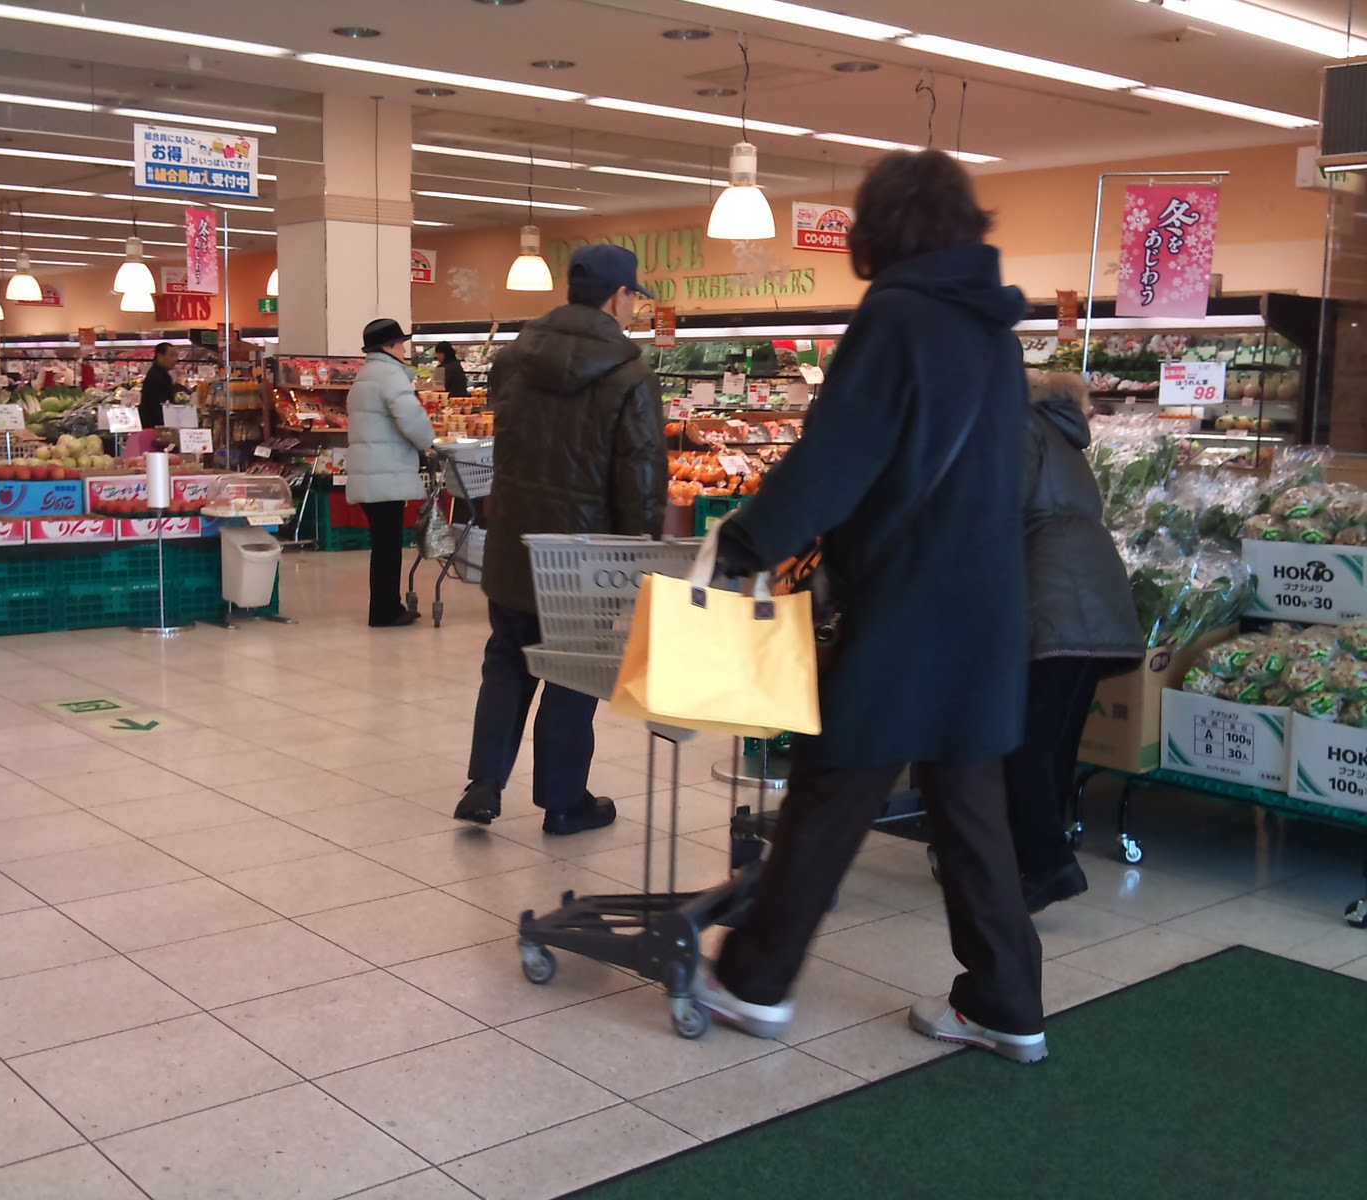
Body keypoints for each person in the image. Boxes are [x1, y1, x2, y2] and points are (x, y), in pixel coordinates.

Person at [693, 150, 1049, 1064]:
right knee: (969, 806)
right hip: (988, 600)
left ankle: (753, 982)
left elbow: (839, 455)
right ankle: (1007, 1001)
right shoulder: (994, 334)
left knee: (835, 781)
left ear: (878, 228)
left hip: (910, 601)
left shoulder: (897, 318)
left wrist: (745, 544)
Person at [454, 244, 666, 836]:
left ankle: (484, 783)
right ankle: (564, 802)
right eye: (633, 297)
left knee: (507, 660)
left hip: (514, 543)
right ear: (619, 296)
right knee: (573, 676)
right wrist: (638, 559)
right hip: (584, 558)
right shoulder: (630, 375)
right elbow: (641, 480)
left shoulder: (514, 360)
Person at [1012, 371, 1144, 913]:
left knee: (1021, 740)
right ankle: (1044, 851)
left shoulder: (1022, 427)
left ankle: (1047, 863)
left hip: (1054, 600)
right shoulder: (1064, 434)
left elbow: (1001, 508)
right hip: (1093, 597)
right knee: (1057, 738)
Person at [346, 318, 435, 628]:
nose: (404, 349)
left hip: (371, 470)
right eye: (400, 344)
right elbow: (411, 418)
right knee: (388, 545)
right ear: (388, 346)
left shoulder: (366, 375)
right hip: (386, 472)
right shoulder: (390, 376)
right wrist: (428, 442)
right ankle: (385, 611)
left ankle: (385, 607)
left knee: (383, 544)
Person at [139, 342, 179, 434]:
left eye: (176, 356)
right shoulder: (157, 377)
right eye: (172, 355)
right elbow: (157, 407)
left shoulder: (161, 374)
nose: (175, 359)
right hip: (156, 428)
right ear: (160, 356)